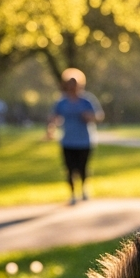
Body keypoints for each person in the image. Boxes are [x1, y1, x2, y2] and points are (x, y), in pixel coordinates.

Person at [47, 68, 103, 204]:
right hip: (68, 141)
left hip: (84, 140)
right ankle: (72, 194)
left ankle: (84, 189)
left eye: (75, 83)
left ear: (80, 84)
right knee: (70, 168)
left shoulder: (87, 100)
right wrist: (50, 129)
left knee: (83, 167)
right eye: (69, 83)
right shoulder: (62, 102)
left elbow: (99, 116)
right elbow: (54, 117)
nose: (72, 86)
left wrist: (89, 116)